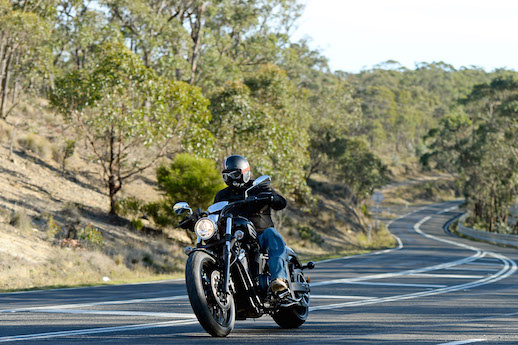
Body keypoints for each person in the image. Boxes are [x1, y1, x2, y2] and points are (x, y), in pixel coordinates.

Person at [214, 155, 289, 293]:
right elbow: (214, 214)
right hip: (235, 237)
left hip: (260, 235)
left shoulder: (258, 187)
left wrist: (271, 197)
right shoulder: (222, 195)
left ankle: (278, 279)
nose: (231, 179)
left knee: (271, 234)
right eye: (226, 176)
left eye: (234, 174)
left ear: (244, 172)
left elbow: (281, 203)